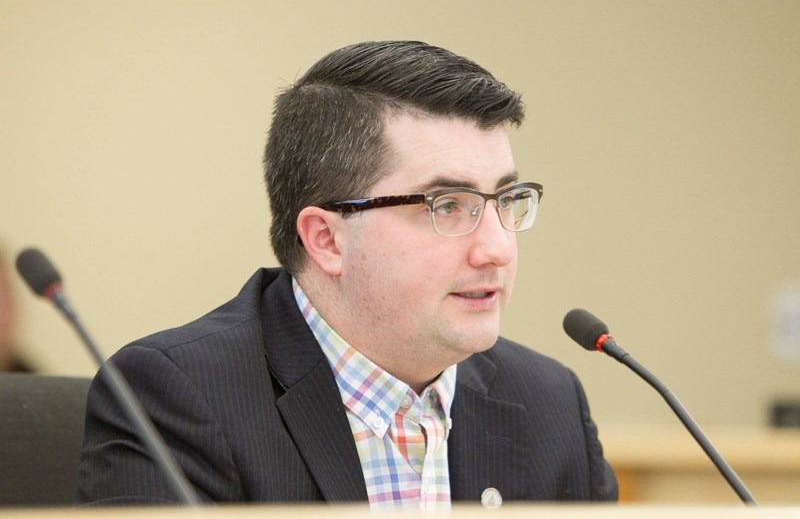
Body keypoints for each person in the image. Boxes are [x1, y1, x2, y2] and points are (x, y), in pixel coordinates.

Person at [76, 41, 617, 509]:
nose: (497, 248)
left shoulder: (549, 403)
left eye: (505, 200)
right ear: (326, 239)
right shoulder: (176, 398)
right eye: (447, 205)